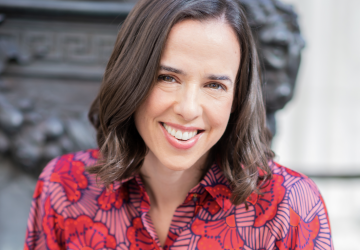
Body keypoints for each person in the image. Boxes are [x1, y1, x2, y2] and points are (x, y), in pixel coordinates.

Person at [24, 0, 333, 249]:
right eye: (167, 78)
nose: (188, 109)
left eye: (214, 85)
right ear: (131, 79)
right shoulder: (64, 187)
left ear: (237, 97)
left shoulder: (290, 206)